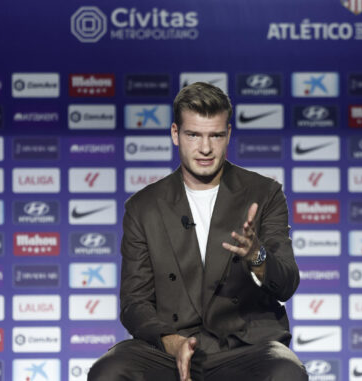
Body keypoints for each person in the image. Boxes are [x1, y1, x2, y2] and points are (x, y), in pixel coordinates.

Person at [88, 82, 307, 381]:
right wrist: (170, 341)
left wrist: (257, 255)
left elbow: (287, 284)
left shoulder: (265, 193)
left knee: (285, 370)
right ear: (175, 134)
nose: (205, 148)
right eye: (194, 135)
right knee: (109, 370)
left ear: (228, 134)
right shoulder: (143, 207)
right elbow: (134, 303)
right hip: (173, 347)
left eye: (215, 135)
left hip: (245, 348)